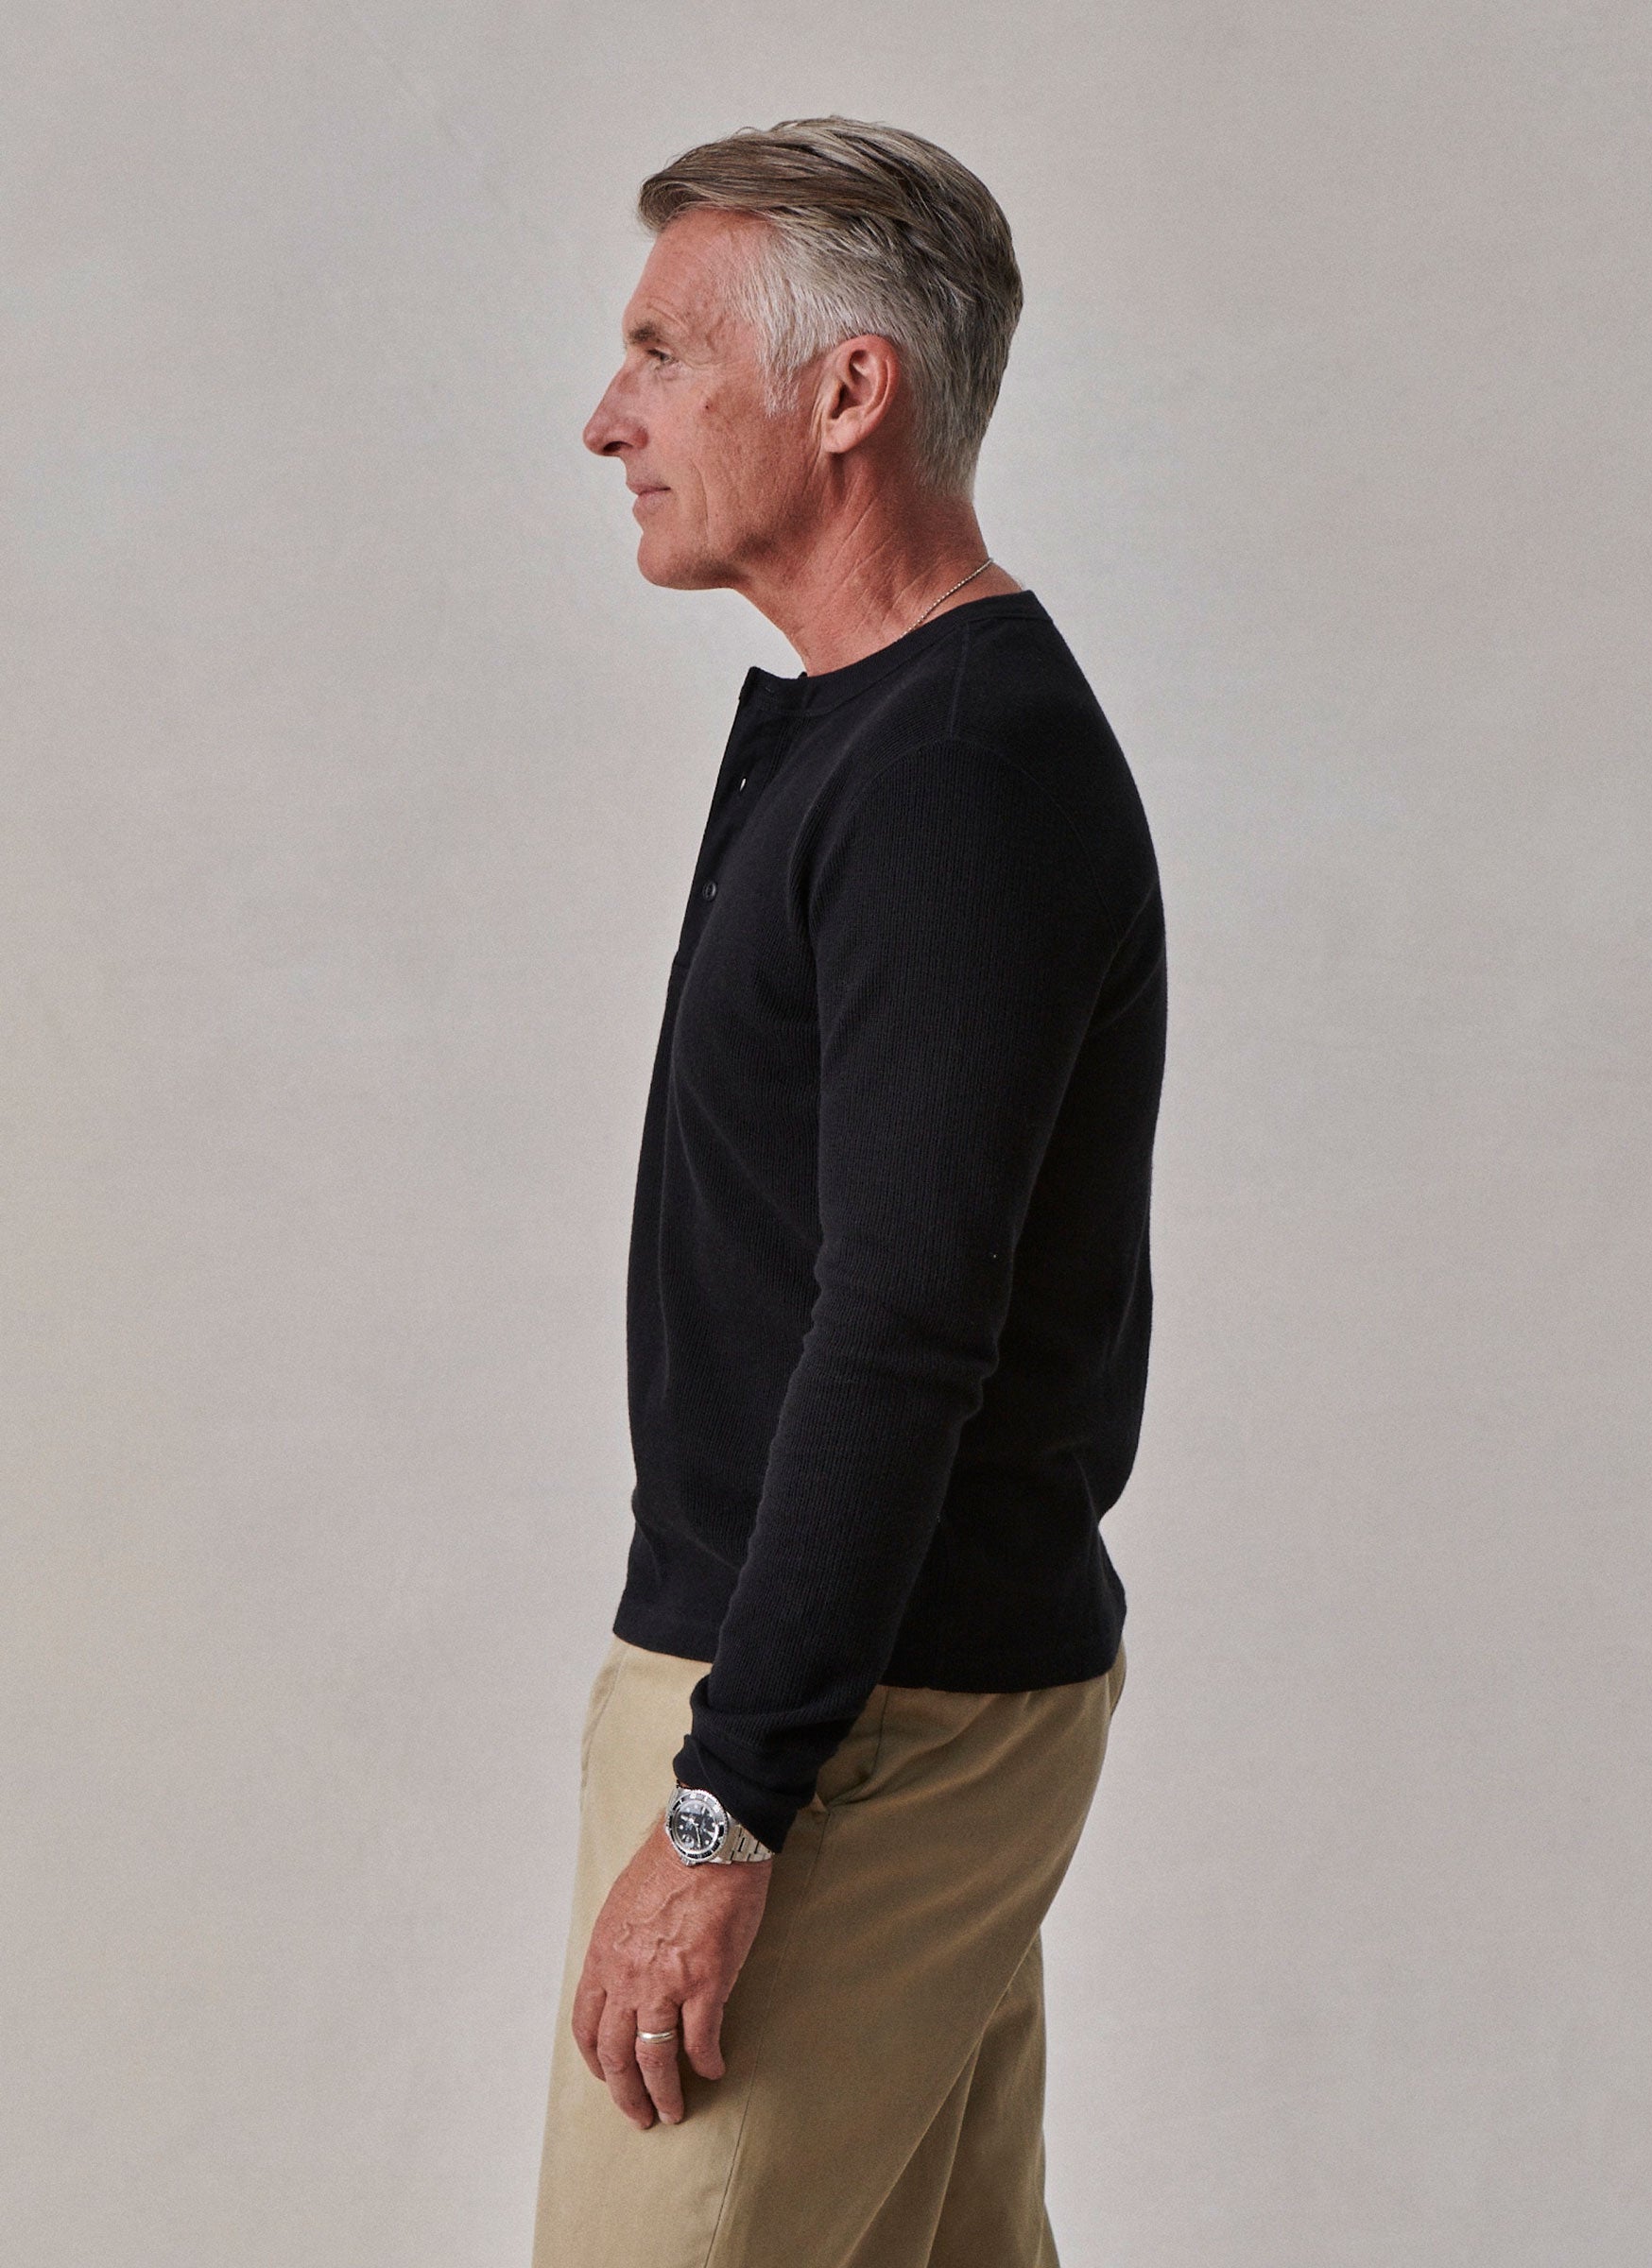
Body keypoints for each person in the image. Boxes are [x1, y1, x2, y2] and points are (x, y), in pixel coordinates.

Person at [532, 115, 1167, 2268]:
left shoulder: (955, 773)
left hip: (845, 1731)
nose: (607, 416)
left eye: (662, 354)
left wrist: (730, 1802)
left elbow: (900, 1323)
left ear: (848, 392)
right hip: (876, 1701)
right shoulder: (891, 734)